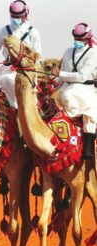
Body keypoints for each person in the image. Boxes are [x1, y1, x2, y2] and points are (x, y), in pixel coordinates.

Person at [0, 0, 42, 109]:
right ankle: (18, 109)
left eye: (18, 16)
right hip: (9, 68)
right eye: (14, 16)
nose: (16, 19)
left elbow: (37, 56)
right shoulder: (3, 31)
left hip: (27, 70)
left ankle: (29, 110)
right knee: (6, 80)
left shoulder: (33, 32)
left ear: (25, 15)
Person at [52, 23, 97, 159]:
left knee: (91, 113)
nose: (77, 41)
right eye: (76, 38)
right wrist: (53, 85)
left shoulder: (93, 54)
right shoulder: (67, 52)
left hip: (85, 89)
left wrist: (60, 74)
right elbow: (61, 78)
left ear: (87, 38)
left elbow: (82, 76)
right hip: (69, 91)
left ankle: (87, 149)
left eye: (80, 38)